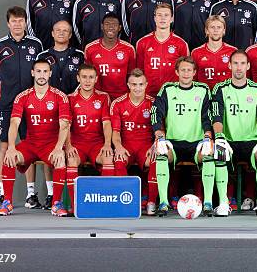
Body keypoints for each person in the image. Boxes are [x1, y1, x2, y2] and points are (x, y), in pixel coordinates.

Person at [0, 59, 70, 217]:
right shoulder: (23, 97)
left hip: (50, 144)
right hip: (30, 144)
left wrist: (58, 148)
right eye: (38, 71)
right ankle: (7, 202)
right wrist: (11, 146)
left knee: (61, 159)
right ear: (33, 73)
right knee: (9, 157)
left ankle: (56, 203)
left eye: (45, 71)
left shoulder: (60, 96)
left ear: (50, 74)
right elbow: (14, 123)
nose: (42, 75)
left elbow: (64, 125)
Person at [0, 7, 43, 207]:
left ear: (26, 22)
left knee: (30, 145)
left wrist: (34, 97)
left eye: (21, 20)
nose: (18, 24)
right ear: (8, 23)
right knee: (5, 146)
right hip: (6, 105)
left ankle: (31, 194)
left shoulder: (35, 45)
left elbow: (40, 72)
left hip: (31, 106)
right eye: (14, 21)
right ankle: (3, 192)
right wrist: (3, 95)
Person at [210, 50, 257, 216]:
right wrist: (219, 137)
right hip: (228, 140)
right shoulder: (220, 88)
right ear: (229, 65)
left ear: (248, 66)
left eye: (242, 63)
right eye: (235, 63)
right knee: (220, 151)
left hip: (251, 141)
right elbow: (216, 116)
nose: (239, 67)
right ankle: (224, 203)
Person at [150, 57, 214, 216]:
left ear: (194, 72)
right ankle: (163, 202)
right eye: (183, 70)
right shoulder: (167, 89)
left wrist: (207, 135)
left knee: (208, 154)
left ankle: (208, 202)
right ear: (177, 72)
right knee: (162, 153)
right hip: (174, 142)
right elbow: (156, 112)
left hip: (196, 143)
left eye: (189, 70)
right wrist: (159, 134)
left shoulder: (203, 89)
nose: (186, 73)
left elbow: (208, 116)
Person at [65, 64, 115, 212]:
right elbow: (66, 125)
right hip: (77, 144)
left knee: (107, 157)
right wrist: (68, 145)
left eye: (91, 77)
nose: (87, 81)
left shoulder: (103, 97)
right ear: (78, 78)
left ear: (96, 79)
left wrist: (107, 144)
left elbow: (106, 124)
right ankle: (75, 206)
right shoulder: (70, 98)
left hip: (96, 144)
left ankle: (107, 202)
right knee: (72, 160)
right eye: (84, 77)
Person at [110, 69, 157, 211]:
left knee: (156, 159)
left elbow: (160, 130)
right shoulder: (118, 104)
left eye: (141, 84)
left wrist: (155, 145)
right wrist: (118, 146)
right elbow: (115, 132)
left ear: (146, 85)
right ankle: (125, 201)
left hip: (146, 146)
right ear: (128, 85)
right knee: (118, 159)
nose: (137, 88)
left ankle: (151, 202)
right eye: (134, 84)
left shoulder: (153, 103)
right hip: (127, 146)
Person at [136, 3, 189, 97]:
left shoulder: (181, 44)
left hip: (173, 94)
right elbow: (139, 71)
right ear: (155, 18)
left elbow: (185, 71)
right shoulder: (142, 42)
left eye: (166, 15)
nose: (162, 18)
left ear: (172, 19)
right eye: (159, 15)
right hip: (149, 94)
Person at [84, 13, 136, 100]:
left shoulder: (128, 49)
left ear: (119, 28)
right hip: (98, 96)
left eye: (114, 24)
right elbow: (86, 74)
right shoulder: (90, 48)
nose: (111, 27)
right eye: (107, 24)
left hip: (122, 96)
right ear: (102, 26)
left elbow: (132, 75)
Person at [37, 20, 84, 95]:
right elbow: (37, 80)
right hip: (49, 100)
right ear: (52, 33)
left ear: (70, 35)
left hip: (73, 100)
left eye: (65, 30)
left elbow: (84, 79)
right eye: (58, 30)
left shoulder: (80, 55)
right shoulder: (42, 56)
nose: (61, 33)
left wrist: (73, 95)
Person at [191, 15, 237, 89]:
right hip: (204, 95)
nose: (216, 30)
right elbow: (193, 79)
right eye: (212, 27)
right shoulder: (196, 52)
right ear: (206, 30)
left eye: (219, 27)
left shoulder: (233, 51)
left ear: (224, 30)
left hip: (227, 96)